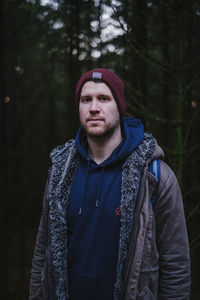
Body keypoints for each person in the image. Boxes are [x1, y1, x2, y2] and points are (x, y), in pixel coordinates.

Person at [29, 68, 190, 300]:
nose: (94, 108)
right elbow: (42, 255)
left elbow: (175, 264)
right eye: (86, 100)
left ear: (120, 107)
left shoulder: (154, 177)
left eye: (104, 98)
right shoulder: (60, 175)